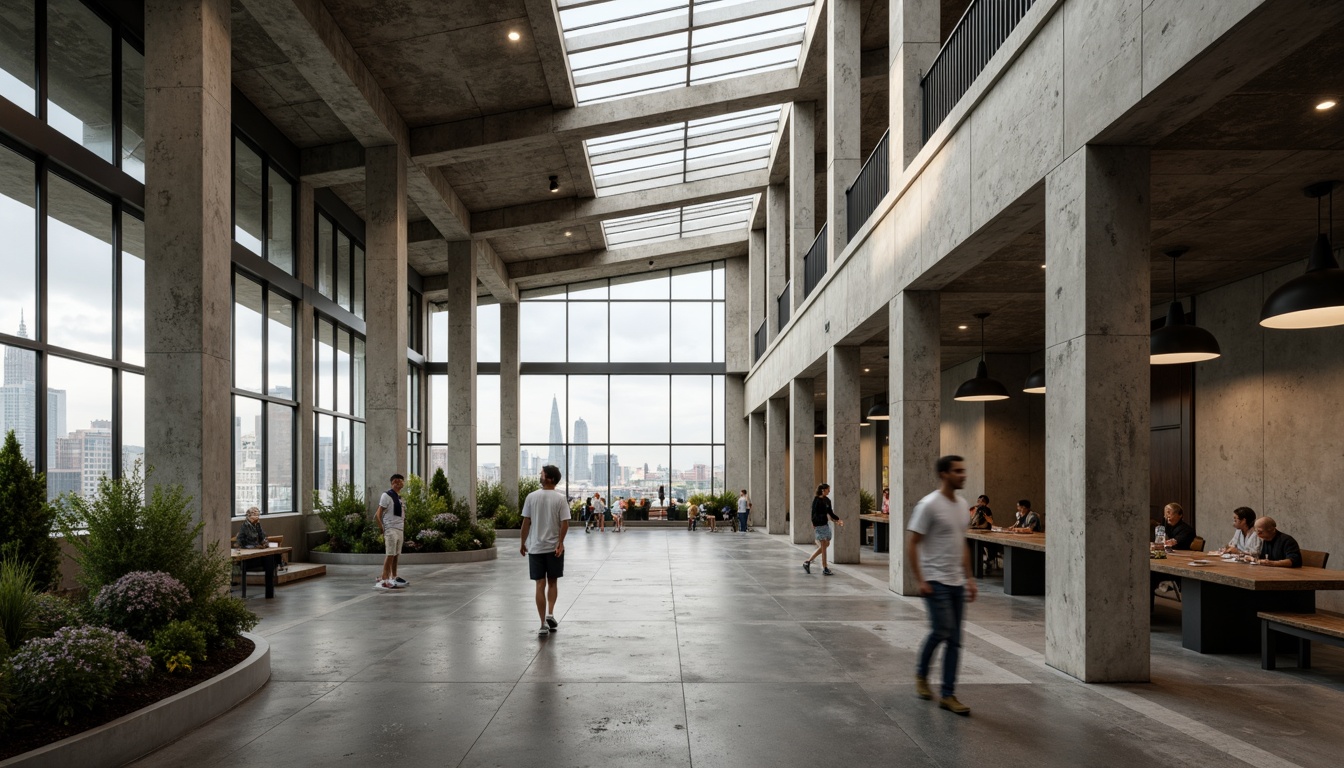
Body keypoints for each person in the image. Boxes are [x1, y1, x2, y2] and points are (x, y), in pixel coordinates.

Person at [908, 455, 977, 715]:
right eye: (958, 471)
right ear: (945, 474)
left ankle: (948, 694)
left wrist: (969, 578)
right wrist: (920, 579)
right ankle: (921, 675)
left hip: (957, 582)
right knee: (942, 630)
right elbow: (912, 543)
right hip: (935, 581)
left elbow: (962, 544)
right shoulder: (928, 505)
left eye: (963, 470)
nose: (963, 475)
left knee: (955, 640)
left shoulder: (962, 505)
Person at [520, 464, 570, 635]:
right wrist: (561, 543)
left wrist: (522, 542)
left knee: (539, 584)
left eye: (542, 474)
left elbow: (526, 522)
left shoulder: (531, 497)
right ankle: (550, 613)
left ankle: (542, 624)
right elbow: (565, 523)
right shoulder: (560, 499)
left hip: (535, 548)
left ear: (549, 478)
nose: (539, 476)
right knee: (553, 582)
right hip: (554, 548)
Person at [374, 474, 407, 590]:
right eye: (396, 481)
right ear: (392, 483)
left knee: (396, 554)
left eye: (401, 481)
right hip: (390, 528)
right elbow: (377, 515)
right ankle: (384, 578)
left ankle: (394, 576)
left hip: (399, 529)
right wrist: (382, 528)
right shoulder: (386, 496)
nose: (399, 483)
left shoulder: (400, 498)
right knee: (390, 554)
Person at [802, 483, 843, 575]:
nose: (829, 491)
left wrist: (838, 519)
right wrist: (815, 524)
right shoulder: (816, 500)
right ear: (823, 490)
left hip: (825, 524)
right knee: (824, 546)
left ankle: (807, 561)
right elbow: (813, 514)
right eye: (828, 489)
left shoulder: (827, 500)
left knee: (826, 544)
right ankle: (825, 568)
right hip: (819, 525)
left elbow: (831, 513)